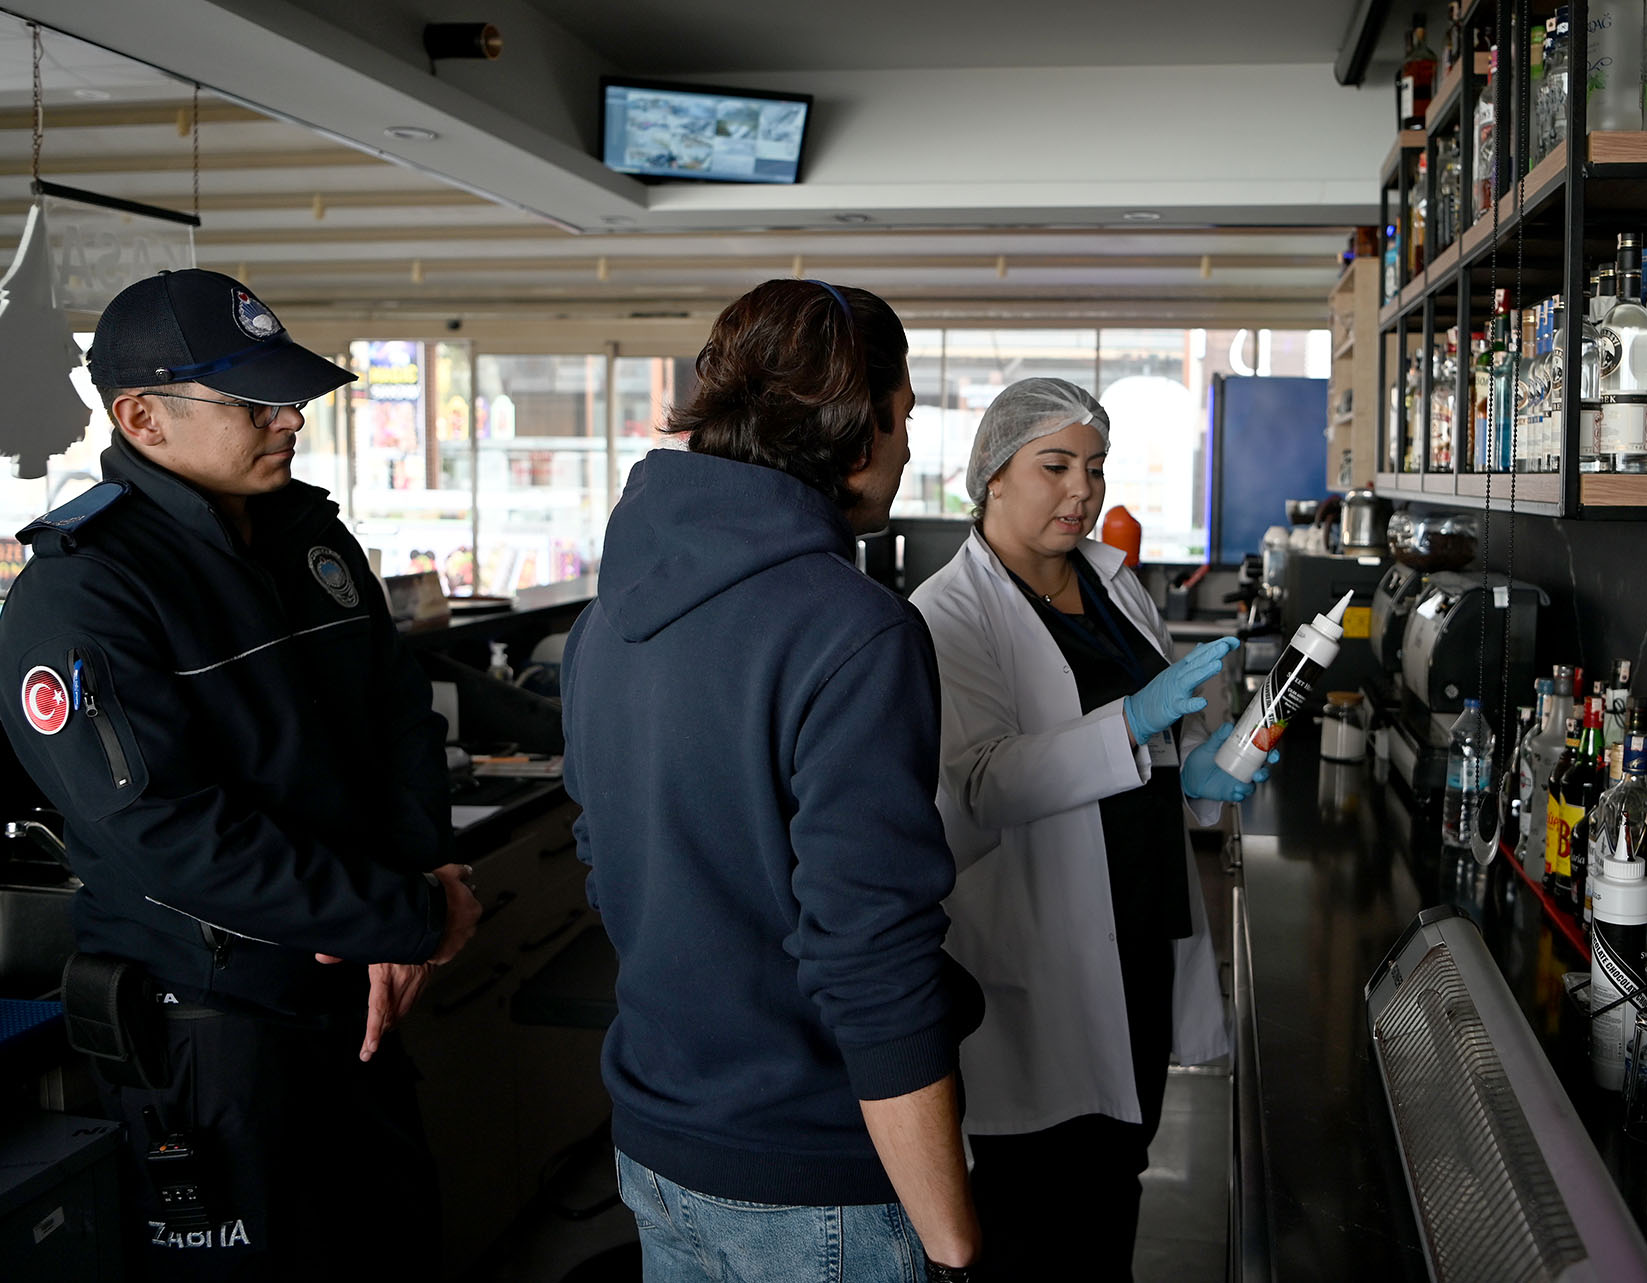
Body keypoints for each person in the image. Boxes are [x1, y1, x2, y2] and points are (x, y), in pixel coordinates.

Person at [0, 268, 480, 1278]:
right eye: (255, 401)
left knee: (394, 1243)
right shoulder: (82, 589)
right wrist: (401, 915)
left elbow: (396, 719)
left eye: (290, 396)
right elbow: (166, 830)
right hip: (215, 1021)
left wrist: (413, 886)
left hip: (355, 984)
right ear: (142, 416)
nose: (289, 420)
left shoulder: (310, 537)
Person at [560, 279, 984, 1282]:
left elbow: (607, 858)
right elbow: (871, 954)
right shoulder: (854, 630)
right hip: (811, 1176)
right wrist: (952, 1238)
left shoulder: (601, 620)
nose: (909, 445)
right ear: (857, 423)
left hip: (658, 1141)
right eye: (906, 414)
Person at [910, 377, 1276, 1281]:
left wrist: (1197, 770)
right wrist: (1131, 725)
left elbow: (1148, 755)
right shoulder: (949, 613)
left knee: (1120, 1183)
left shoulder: (1113, 584)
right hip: (1044, 957)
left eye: (1096, 466)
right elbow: (982, 784)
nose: (1083, 488)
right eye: (1056, 464)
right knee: (1036, 1214)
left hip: (1145, 936)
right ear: (994, 473)